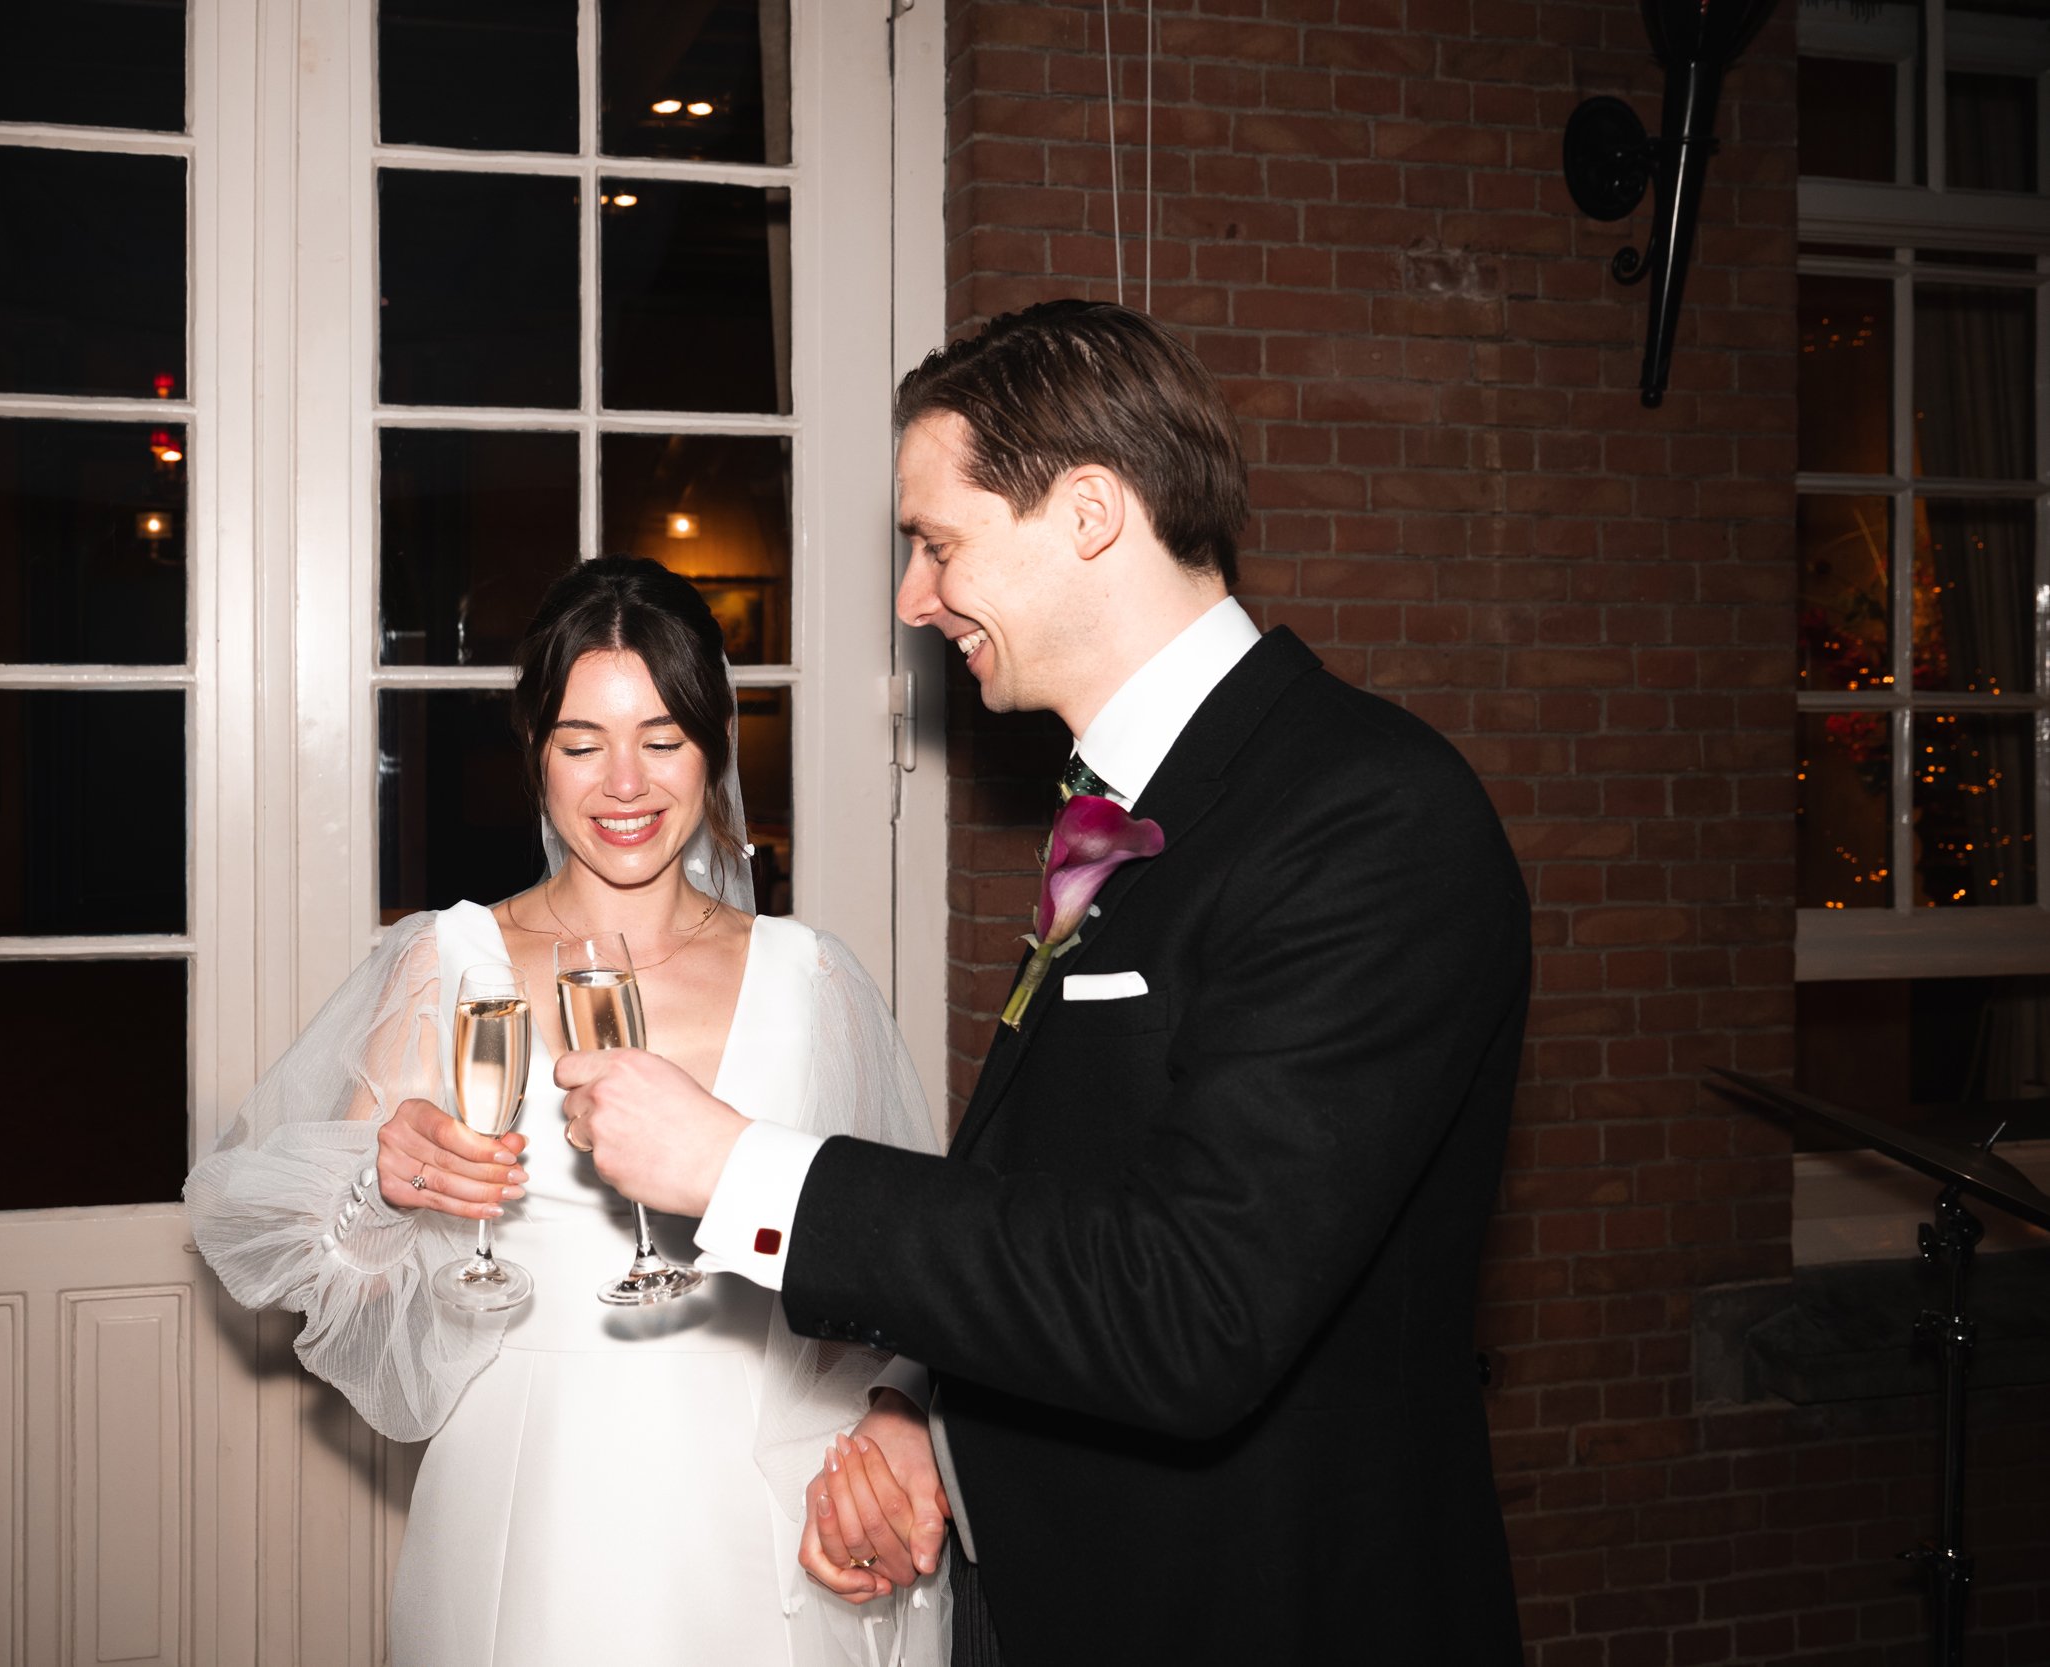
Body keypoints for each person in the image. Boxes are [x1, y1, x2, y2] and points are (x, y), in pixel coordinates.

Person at [555, 301, 1533, 1663]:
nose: (912, 596)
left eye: (938, 541)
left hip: (1256, 1606)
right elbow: (1065, 1195)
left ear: (1088, 512)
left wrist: (742, 1169)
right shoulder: (1116, 808)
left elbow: (1194, 1305)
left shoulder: (1369, 815)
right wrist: (928, 1418)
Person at [184, 558, 950, 1667]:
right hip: (534, 1498)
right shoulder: (446, 962)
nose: (623, 783)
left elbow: (912, 1261)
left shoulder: (813, 975)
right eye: (582, 742)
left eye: (664, 738)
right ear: (536, 755)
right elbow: (326, 1284)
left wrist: (895, 1407)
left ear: (714, 747)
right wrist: (381, 1183)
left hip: (768, 1495)